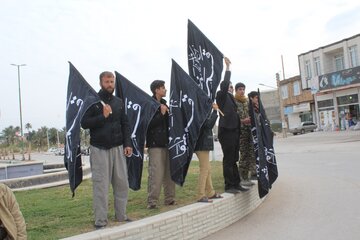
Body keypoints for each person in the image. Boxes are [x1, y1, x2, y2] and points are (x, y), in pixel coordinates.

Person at [81, 71, 133, 229]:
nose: (110, 84)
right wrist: (102, 117)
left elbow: (125, 124)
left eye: (112, 81)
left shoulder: (119, 102)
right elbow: (84, 123)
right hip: (99, 148)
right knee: (101, 186)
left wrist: (127, 144)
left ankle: (121, 215)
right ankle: (101, 220)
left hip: (118, 147)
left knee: (122, 183)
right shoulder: (92, 101)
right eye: (107, 82)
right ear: (100, 83)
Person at [215, 57, 249, 194]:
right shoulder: (221, 95)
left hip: (235, 131)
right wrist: (227, 68)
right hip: (227, 131)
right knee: (228, 159)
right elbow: (224, 85)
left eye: (231, 87)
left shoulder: (231, 99)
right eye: (230, 86)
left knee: (235, 158)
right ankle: (229, 185)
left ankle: (236, 183)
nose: (231, 88)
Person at [146, 80, 176, 209]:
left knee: (169, 174)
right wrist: (161, 114)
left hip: (167, 143)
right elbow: (147, 124)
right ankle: (152, 202)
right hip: (155, 145)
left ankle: (170, 199)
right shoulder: (149, 104)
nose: (165, 90)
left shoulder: (165, 104)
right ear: (156, 90)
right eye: (163, 88)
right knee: (156, 174)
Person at [194, 103, 223, 202]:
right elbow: (209, 125)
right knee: (204, 169)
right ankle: (200, 195)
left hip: (203, 145)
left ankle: (210, 192)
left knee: (208, 169)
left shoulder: (200, 112)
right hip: (201, 145)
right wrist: (215, 111)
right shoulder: (198, 113)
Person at [234, 82, 256, 186]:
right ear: (236, 90)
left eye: (243, 89)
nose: (242, 91)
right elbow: (232, 119)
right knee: (243, 155)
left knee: (249, 154)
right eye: (240, 89)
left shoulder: (247, 102)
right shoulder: (234, 102)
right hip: (240, 133)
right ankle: (242, 178)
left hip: (249, 132)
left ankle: (247, 177)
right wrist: (243, 121)